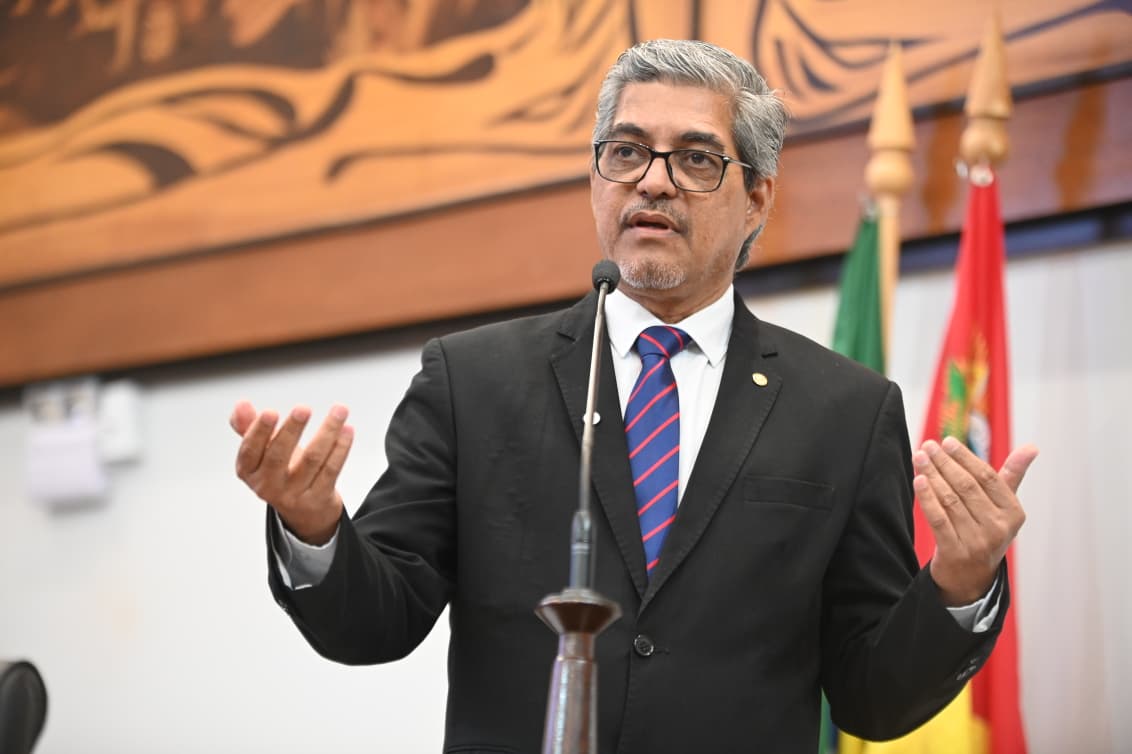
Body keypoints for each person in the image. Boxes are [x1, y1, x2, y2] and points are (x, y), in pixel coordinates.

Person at [231, 39, 1037, 753]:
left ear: (758, 197)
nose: (653, 181)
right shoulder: (472, 381)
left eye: (696, 159)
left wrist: (958, 583)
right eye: (626, 152)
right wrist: (315, 528)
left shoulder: (845, 411)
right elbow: (375, 625)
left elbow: (873, 696)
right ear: (596, 177)